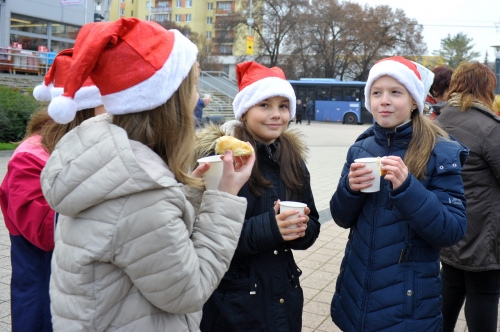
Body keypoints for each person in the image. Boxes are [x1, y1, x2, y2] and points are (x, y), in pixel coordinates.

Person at [39, 18, 255, 331]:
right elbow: (187, 291)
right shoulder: (141, 194)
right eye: (193, 86)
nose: (198, 98)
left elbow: (139, 239)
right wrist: (223, 199)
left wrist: (190, 194)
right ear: (170, 102)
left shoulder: (113, 163)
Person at [329, 56, 468, 331]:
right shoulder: (361, 148)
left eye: (395, 92)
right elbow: (341, 217)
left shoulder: (440, 151)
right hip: (356, 295)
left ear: (415, 100)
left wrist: (408, 188)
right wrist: (350, 189)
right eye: (377, 93)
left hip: (409, 305)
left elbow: (452, 229)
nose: (384, 100)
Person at [196, 61, 321, 332]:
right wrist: (272, 228)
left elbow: (313, 225)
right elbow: (204, 237)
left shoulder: (292, 158)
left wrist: (301, 228)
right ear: (244, 110)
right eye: (264, 105)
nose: (276, 114)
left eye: (283, 106)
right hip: (232, 303)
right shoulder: (221, 160)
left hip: (283, 296)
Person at [0, 48, 104, 332]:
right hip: (45, 300)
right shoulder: (30, 158)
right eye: (108, 105)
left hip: (79, 294)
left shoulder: (88, 147)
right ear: (83, 110)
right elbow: (47, 233)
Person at [435, 62, 500, 332]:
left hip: (448, 227)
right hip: (484, 234)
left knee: (448, 291)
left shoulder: (439, 121)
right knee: (483, 296)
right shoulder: (490, 128)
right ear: (487, 89)